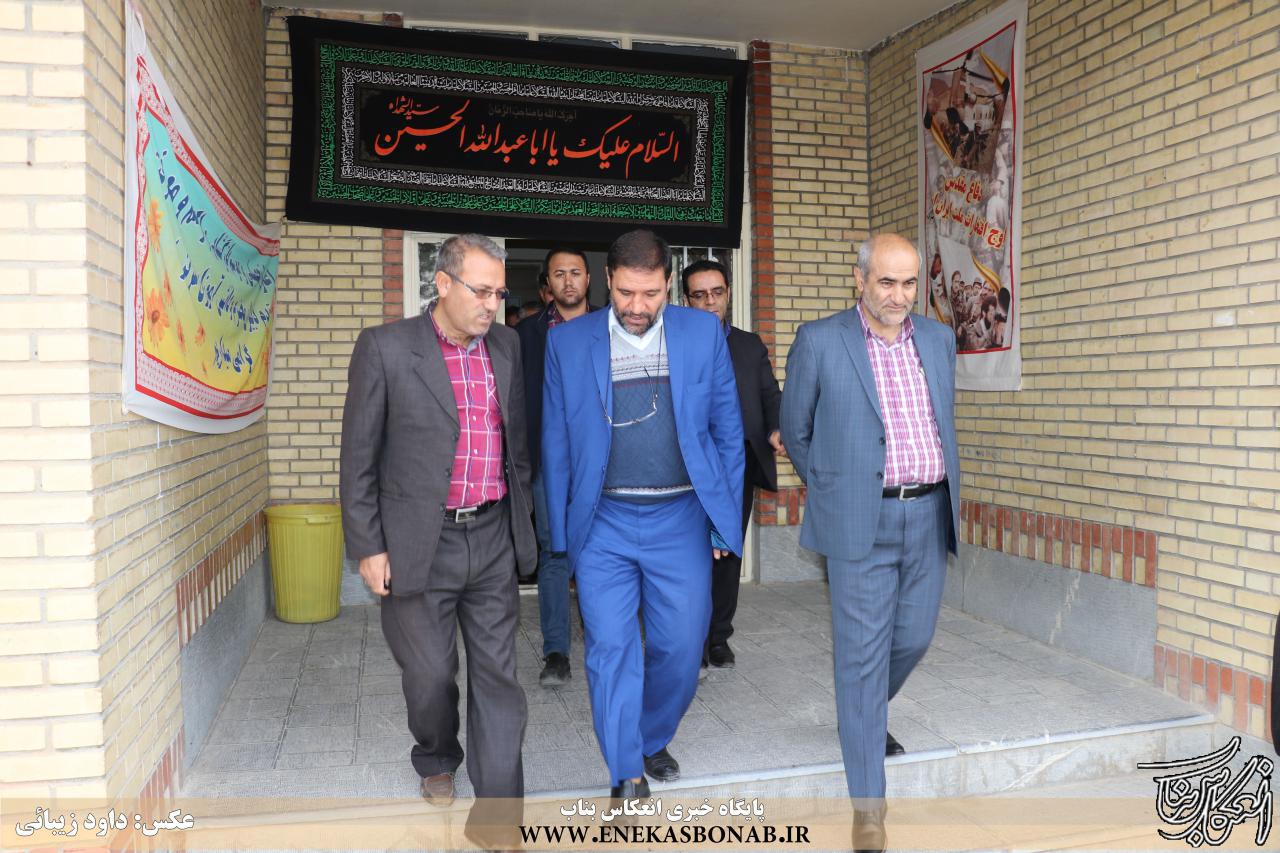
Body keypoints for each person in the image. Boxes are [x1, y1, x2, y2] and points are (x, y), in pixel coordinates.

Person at [340, 233, 534, 847]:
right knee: (429, 675)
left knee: (498, 676)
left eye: (500, 293)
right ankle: (436, 753)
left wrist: (524, 520)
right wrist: (368, 546)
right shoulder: (385, 348)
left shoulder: (506, 346)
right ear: (443, 283)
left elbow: (517, 446)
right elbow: (358, 456)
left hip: (492, 535)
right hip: (417, 541)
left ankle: (498, 820)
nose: (493, 305)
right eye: (482, 291)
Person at [541, 229, 744, 801]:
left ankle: (648, 736)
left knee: (680, 650)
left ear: (668, 283)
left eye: (651, 294)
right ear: (608, 280)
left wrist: (721, 520)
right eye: (626, 292)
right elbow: (556, 444)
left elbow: (728, 433)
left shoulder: (702, 333)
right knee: (610, 649)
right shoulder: (568, 343)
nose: (637, 306)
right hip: (603, 522)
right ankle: (626, 770)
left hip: (679, 517)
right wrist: (563, 537)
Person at [780, 233, 960, 853]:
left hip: (928, 511)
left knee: (914, 637)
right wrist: (837, 487)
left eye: (909, 283)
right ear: (860, 280)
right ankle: (869, 810)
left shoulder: (937, 340)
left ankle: (861, 715)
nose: (899, 296)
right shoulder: (820, 340)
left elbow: (941, 421)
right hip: (860, 519)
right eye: (886, 282)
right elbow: (795, 429)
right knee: (860, 658)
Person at [681, 258, 784, 670]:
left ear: (728, 294)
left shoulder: (748, 345)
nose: (710, 302)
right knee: (690, 555)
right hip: (687, 467)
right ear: (686, 300)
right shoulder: (673, 344)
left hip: (734, 466)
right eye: (700, 295)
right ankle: (690, 638)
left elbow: (770, 395)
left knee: (727, 552)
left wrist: (776, 428)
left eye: (717, 292)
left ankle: (718, 638)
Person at [515, 246, 596, 687]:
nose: (568, 281)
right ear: (548, 283)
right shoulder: (525, 335)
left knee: (601, 552)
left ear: (588, 279)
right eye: (559, 274)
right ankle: (556, 653)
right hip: (548, 464)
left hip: (601, 463)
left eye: (576, 272)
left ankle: (606, 641)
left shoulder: (611, 327)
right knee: (554, 552)